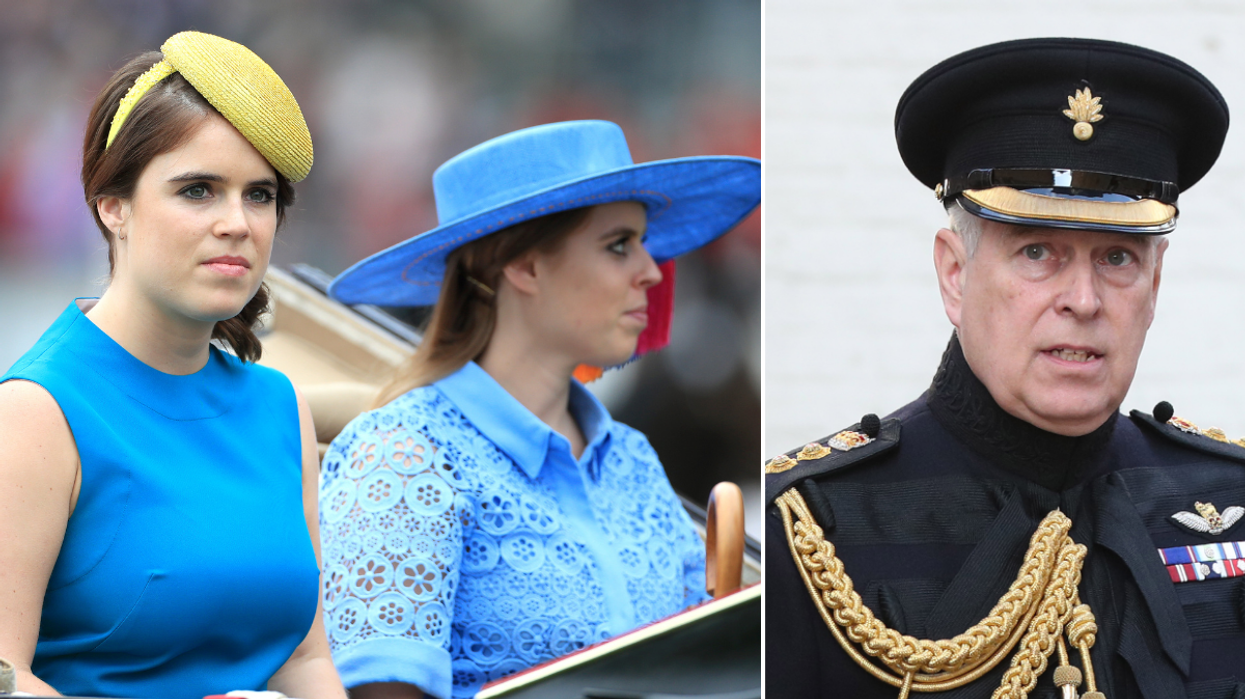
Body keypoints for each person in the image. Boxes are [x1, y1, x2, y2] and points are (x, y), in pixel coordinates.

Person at [765, 38, 1245, 699]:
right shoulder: (814, 528)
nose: (1082, 299)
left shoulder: (1228, 500)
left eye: (1116, 258)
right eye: (1037, 251)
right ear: (954, 274)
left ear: (1154, 286)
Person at [319, 120, 760, 699]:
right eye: (619, 244)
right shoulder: (402, 455)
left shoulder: (631, 458)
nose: (652, 271)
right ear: (524, 266)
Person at [0, 31, 345, 699]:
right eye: (198, 190)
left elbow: (304, 659)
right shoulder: (35, 411)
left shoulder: (280, 405)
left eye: (259, 195)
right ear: (112, 205)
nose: (237, 222)